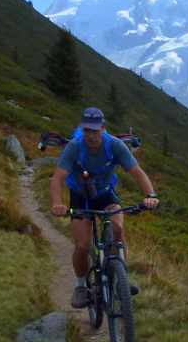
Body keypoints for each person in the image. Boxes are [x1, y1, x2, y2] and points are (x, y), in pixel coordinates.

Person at [50, 107, 159, 308]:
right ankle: (81, 286)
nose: (90, 135)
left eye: (95, 130)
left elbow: (137, 172)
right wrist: (57, 203)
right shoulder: (75, 146)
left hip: (106, 194)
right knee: (82, 245)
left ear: (103, 128)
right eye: (87, 130)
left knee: (117, 229)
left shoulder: (115, 146)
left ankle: (120, 280)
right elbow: (57, 178)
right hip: (80, 196)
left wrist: (150, 195)